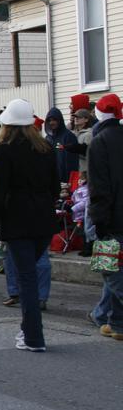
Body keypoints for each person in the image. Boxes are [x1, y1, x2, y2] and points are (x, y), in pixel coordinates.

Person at [0, 98, 59, 352]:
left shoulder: (4, 150)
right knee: (30, 275)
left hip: (17, 219)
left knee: (26, 279)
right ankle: (28, 331)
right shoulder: (46, 148)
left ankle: (34, 337)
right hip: (43, 220)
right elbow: (54, 187)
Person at [87, 93, 123, 342]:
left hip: (110, 216)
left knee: (109, 268)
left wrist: (98, 220)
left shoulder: (99, 142)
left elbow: (99, 187)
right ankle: (116, 322)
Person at [44, 107, 79, 184]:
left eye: (54, 120)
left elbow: (73, 161)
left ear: (60, 120)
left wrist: (71, 182)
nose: (51, 122)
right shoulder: (48, 138)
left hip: (66, 181)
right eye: (49, 120)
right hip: (51, 180)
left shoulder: (68, 136)